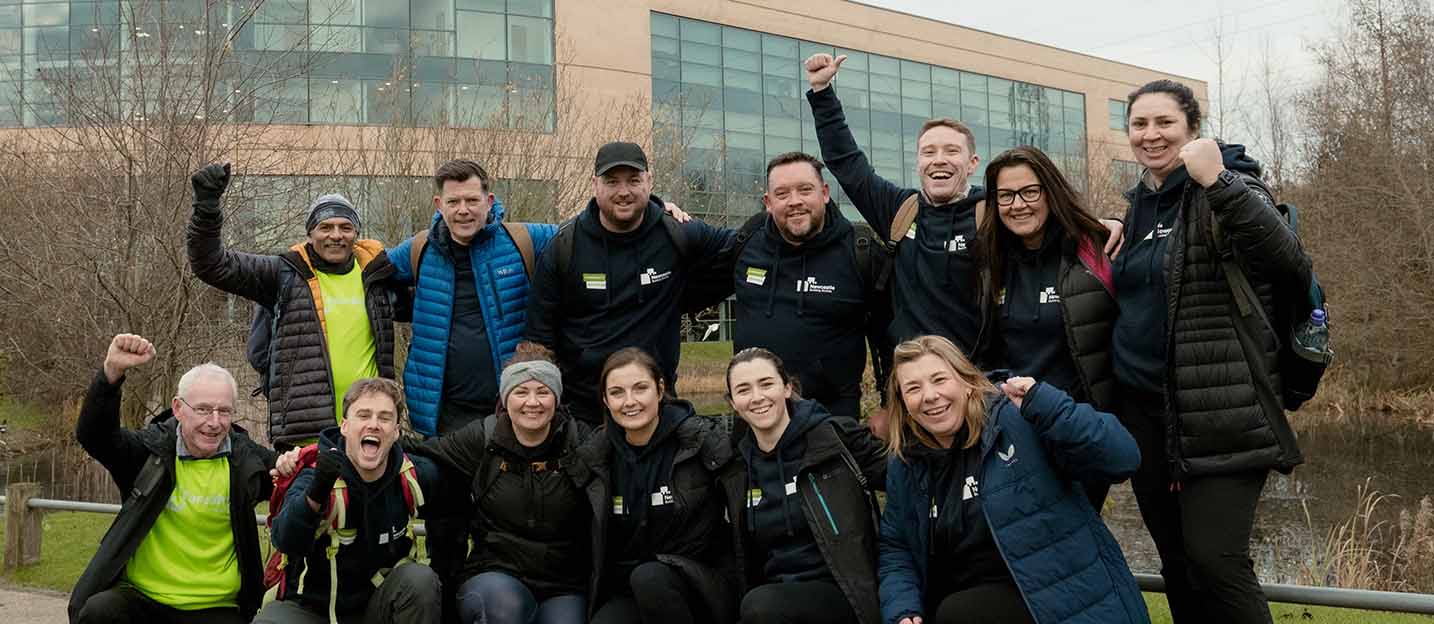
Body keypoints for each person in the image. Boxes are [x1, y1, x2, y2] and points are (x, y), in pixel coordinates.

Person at [1113, 79, 1310, 624]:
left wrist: (1217, 178)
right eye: (1139, 124)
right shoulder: (1135, 211)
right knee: (1178, 564)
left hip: (1222, 405)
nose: (1151, 135)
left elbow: (1287, 258)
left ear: (1193, 129)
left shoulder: (1228, 186)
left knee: (1216, 560)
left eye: (1164, 123)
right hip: (1144, 414)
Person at [802, 54, 1124, 352]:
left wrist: (1104, 224)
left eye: (951, 151)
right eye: (929, 152)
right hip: (914, 381)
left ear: (972, 163)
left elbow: (1046, 219)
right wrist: (822, 92)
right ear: (918, 162)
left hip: (981, 383)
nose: (939, 160)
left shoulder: (994, 210)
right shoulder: (899, 210)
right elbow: (847, 162)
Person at [878, 335, 1147, 624]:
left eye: (940, 379)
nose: (929, 395)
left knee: (959, 613)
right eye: (913, 388)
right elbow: (898, 548)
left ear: (967, 382)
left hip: (1058, 599)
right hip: (965, 600)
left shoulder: (1017, 419)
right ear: (903, 402)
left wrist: (1050, 407)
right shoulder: (905, 463)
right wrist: (903, 611)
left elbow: (1122, 458)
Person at [187, 163, 403, 447]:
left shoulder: (377, 278)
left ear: (356, 234)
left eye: (345, 227)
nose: (336, 235)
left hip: (370, 434)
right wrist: (207, 207)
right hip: (305, 436)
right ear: (310, 234)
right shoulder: (283, 274)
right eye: (325, 227)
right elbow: (212, 264)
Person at [70, 334, 277, 624]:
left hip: (218, 607)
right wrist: (111, 374)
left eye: (224, 411)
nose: (214, 422)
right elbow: (95, 436)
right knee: (99, 612)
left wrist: (296, 463)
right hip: (143, 599)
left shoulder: (247, 461)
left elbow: (292, 476)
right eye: (203, 409)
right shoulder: (149, 452)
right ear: (178, 408)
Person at [525, 142, 735, 424]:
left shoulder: (677, 232)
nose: (623, 192)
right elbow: (538, 340)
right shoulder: (564, 247)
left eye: (634, 180)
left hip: (657, 407)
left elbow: (742, 247)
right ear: (594, 185)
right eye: (612, 182)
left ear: (649, 182)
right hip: (583, 413)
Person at [972, 145, 1119, 507]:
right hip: (1016, 430)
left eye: (1029, 191)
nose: (1017, 204)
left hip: (1079, 426)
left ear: (1050, 191)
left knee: (1077, 536)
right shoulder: (992, 260)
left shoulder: (1093, 250)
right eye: (1005, 195)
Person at [406, 346, 591, 624]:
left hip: (563, 583)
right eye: (521, 392)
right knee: (503, 611)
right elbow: (426, 450)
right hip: (495, 574)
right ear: (506, 398)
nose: (532, 402)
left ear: (556, 397)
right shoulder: (485, 436)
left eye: (543, 392)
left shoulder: (579, 440)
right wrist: (357, 445)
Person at [384, 159, 558, 438]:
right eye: (453, 202)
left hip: (514, 409)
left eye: (472, 200)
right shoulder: (419, 250)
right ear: (439, 205)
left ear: (489, 201)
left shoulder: (523, 239)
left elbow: (584, 235)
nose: (463, 210)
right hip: (443, 417)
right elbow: (367, 269)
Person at [715, 347, 888, 624]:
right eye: (743, 390)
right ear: (733, 403)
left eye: (766, 384)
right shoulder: (737, 468)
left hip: (843, 591)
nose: (757, 397)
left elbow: (907, 478)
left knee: (760, 607)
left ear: (787, 388)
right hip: (774, 594)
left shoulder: (835, 439)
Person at [570, 347, 736, 624]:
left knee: (650, 576)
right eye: (617, 392)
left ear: (660, 390)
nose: (630, 401)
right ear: (605, 400)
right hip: (630, 584)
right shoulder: (596, 457)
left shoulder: (700, 443)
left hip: (699, 580)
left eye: (640, 388)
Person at [257, 378, 442, 624]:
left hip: (376, 606)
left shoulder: (414, 476)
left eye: (385, 418)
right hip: (312, 608)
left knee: (421, 580)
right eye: (363, 415)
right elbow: (284, 538)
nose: (374, 425)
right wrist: (315, 494)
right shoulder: (315, 472)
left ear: (397, 431)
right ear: (344, 425)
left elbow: (452, 516)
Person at [730, 152, 883, 420]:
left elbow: (892, 338)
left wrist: (889, 407)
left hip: (834, 420)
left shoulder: (860, 251)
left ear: (824, 193)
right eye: (782, 193)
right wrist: (665, 210)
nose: (795, 201)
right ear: (768, 202)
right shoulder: (747, 244)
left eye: (805, 190)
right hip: (754, 419)